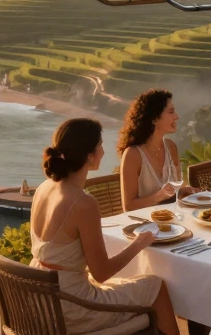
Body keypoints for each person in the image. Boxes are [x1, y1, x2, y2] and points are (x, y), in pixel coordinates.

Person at [31, 118, 179, 335]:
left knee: (136, 284)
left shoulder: (43, 188)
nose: (103, 150)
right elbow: (101, 273)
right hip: (73, 308)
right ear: (89, 156)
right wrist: (139, 243)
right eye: (100, 145)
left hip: (42, 299)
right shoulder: (83, 203)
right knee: (155, 286)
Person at [118, 90, 196, 211]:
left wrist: (184, 191)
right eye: (171, 112)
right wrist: (159, 196)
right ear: (154, 119)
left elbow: (172, 193)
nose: (176, 117)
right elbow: (128, 207)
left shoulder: (171, 147)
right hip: (144, 224)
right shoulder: (133, 155)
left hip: (171, 220)